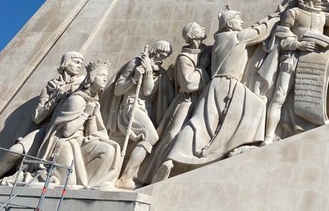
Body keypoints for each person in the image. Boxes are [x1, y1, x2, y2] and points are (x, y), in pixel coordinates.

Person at [153, 7, 277, 182]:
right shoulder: (238, 37)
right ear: (230, 23)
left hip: (213, 86)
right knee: (258, 106)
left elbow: (225, 32)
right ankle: (237, 145)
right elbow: (260, 31)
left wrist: (221, 22)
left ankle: (171, 160)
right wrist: (276, 15)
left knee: (199, 124)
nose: (242, 22)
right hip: (230, 84)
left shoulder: (219, 39)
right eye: (238, 19)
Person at [262, 0, 329, 145]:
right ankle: (269, 136)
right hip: (295, 56)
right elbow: (281, 34)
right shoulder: (293, 13)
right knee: (280, 95)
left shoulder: (322, 16)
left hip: (317, 57)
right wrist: (298, 44)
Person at [0, 51, 85, 183]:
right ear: (66, 63)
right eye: (76, 62)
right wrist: (55, 98)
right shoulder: (49, 88)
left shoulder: (79, 84)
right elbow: (37, 117)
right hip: (46, 128)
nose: (79, 66)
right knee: (14, 152)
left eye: (81, 63)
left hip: (62, 130)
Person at [35, 59, 120, 189]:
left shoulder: (92, 101)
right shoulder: (76, 99)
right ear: (92, 77)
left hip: (80, 141)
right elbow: (67, 131)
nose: (105, 79)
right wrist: (85, 114)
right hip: (64, 143)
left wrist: (91, 117)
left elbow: (92, 133)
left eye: (106, 76)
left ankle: (92, 186)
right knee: (69, 183)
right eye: (102, 75)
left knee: (108, 149)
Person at [143, 23, 210, 184]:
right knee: (172, 134)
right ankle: (153, 172)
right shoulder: (183, 58)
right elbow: (188, 84)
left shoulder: (208, 51)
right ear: (191, 36)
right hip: (186, 100)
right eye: (199, 28)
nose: (204, 29)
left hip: (205, 98)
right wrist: (202, 67)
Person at [109, 41, 174, 189]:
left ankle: (131, 175)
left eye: (166, 56)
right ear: (154, 51)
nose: (163, 58)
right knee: (151, 137)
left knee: (150, 139)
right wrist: (135, 77)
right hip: (131, 106)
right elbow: (118, 90)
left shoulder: (159, 72)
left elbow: (148, 90)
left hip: (146, 110)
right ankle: (125, 177)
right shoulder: (136, 62)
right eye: (161, 54)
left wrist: (149, 72)